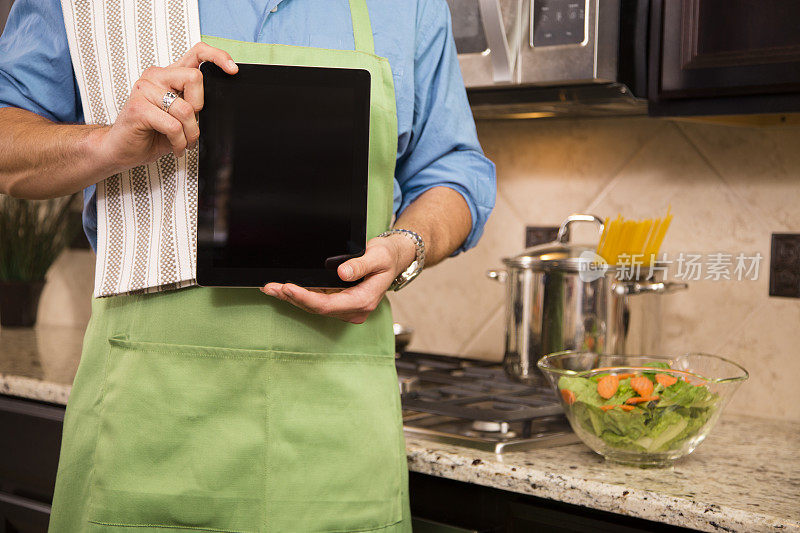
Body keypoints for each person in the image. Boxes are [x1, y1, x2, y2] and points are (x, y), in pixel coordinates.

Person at [0, 0, 496, 531]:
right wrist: (106, 143)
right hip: (147, 424)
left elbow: (455, 171)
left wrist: (407, 245)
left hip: (337, 442)